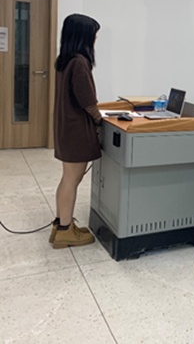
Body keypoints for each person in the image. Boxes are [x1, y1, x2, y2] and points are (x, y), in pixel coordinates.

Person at [51, 14, 102, 249]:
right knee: (72, 179)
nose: (95, 38)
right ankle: (65, 231)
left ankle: (62, 225)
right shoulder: (80, 62)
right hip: (76, 130)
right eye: (94, 34)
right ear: (83, 36)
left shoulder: (64, 60)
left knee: (67, 178)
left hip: (65, 127)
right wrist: (99, 119)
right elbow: (87, 101)